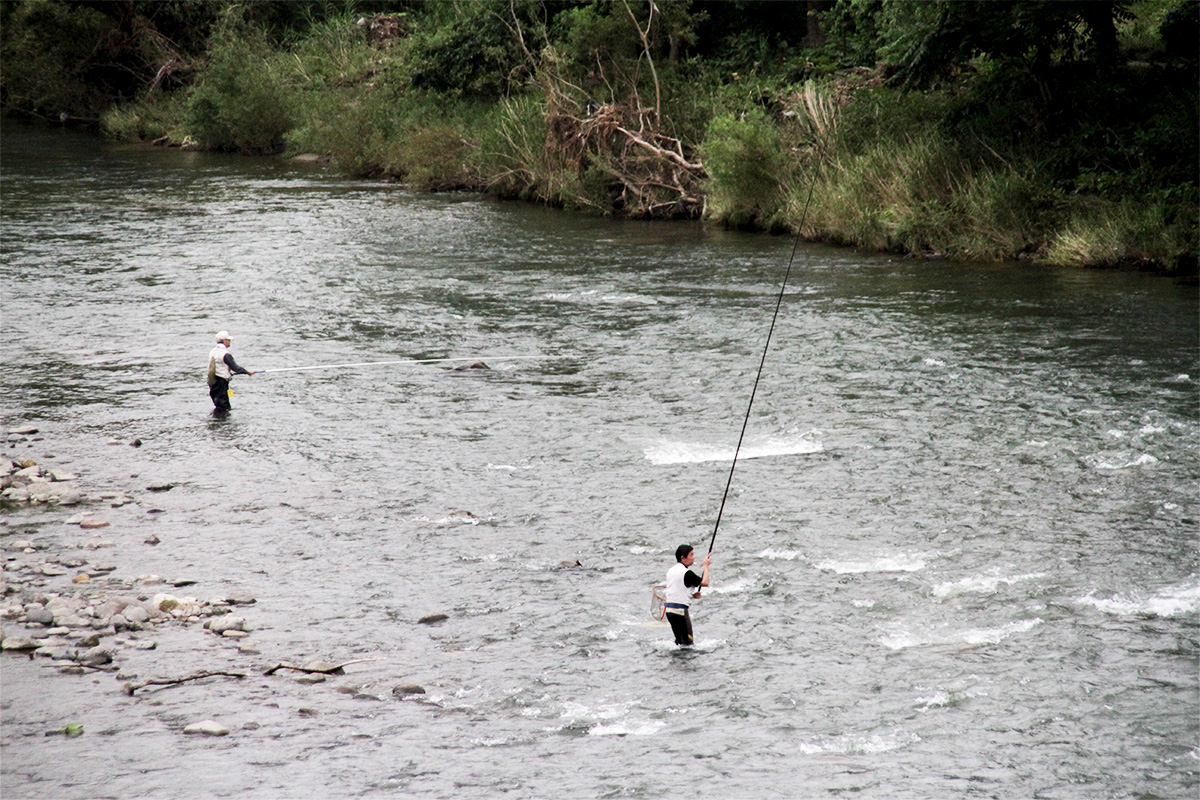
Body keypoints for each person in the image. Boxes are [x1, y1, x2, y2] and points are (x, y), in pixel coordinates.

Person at [663, 544, 711, 647]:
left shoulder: (671, 571)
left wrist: (692, 595)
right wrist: (706, 566)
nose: (693, 558)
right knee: (688, 644)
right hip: (680, 612)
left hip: (669, 612)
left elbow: (677, 589)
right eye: (691, 555)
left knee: (679, 642)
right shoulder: (687, 573)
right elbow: (705, 582)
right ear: (683, 558)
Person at [207, 331, 254, 411]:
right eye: (228, 340)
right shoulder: (225, 354)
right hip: (221, 382)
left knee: (218, 404)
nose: (229, 341)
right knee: (225, 407)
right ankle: (222, 421)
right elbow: (235, 368)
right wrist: (247, 372)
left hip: (213, 382)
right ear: (224, 341)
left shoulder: (212, 351)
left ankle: (217, 420)